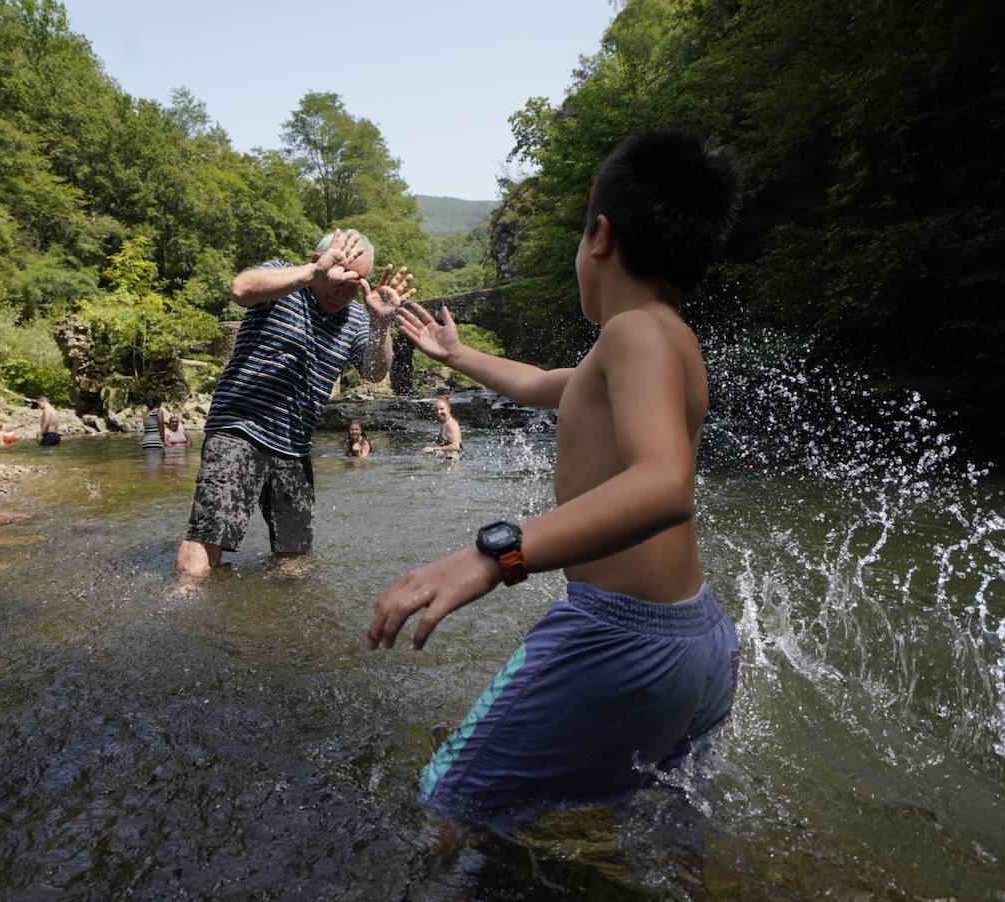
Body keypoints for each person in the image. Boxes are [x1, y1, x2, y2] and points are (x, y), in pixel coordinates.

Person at [373, 128, 744, 833]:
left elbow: (666, 483)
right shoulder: (666, 337)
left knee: (444, 802)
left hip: (620, 638)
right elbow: (545, 385)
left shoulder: (631, 334)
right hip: (700, 641)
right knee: (668, 836)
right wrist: (457, 354)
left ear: (599, 237)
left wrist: (494, 554)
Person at [175, 229, 416, 576]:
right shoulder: (283, 279)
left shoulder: (355, 318)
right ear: (318, 261)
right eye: (340, 278)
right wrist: (310, 275)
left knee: (294, 557)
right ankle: (183, 618)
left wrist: (380, 324)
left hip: (294, 445)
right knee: (208, 534)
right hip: (239, 430)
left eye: (356, 285)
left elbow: (374, 372)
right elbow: (240, 289)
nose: (345, 292)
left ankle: (276, 625)